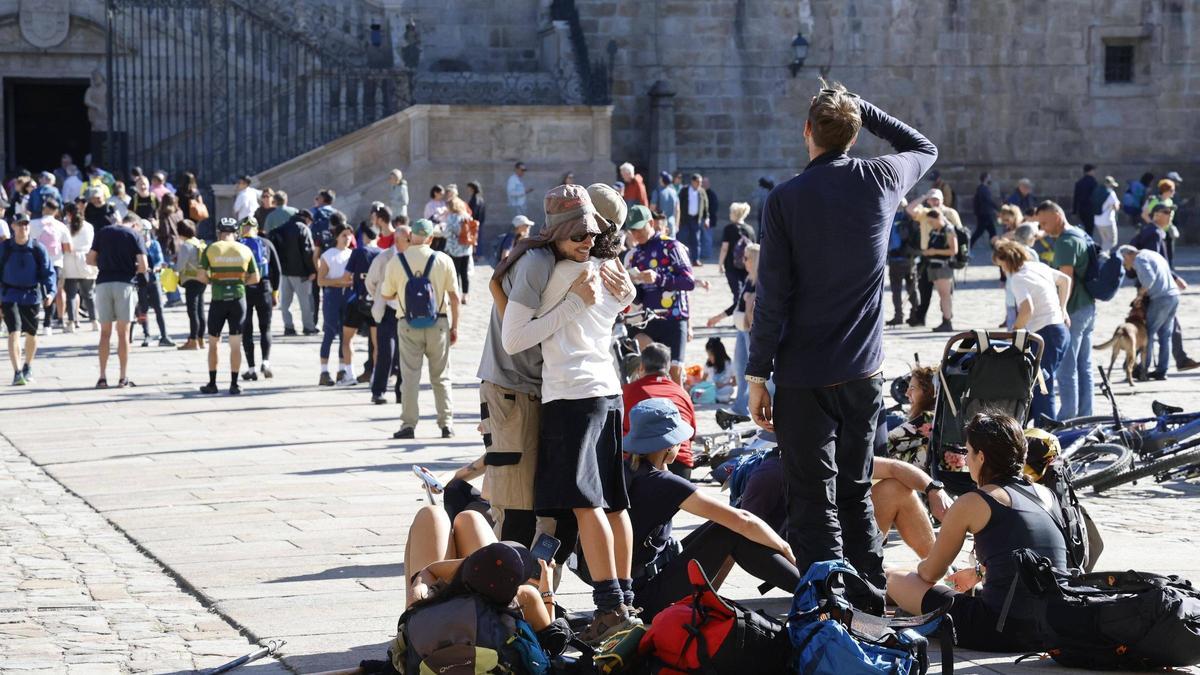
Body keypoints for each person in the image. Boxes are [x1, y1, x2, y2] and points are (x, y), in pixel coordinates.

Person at [747, 80, 937, 600]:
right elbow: (924, 147)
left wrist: (757, 375)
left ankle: (828, 603)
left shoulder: (785, 198)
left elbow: (773, 297)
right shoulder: (880, 178)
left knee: (812, 498)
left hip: (805, 373)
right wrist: (862, 106)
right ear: (853, 134)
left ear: (807, 131)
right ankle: (869, 594)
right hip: (862, 372)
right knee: (854, 490)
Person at [497, 184, 639, 643]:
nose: (582, 238)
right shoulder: (615, 270)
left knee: (586, 502)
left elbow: (515, 339)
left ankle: (610, 605)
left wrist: (573, 301)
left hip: (571, 394)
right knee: (615, 502)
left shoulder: (560, 274)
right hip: (608, 391)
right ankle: (628, 598)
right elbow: (622, 302)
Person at [887, 412, 1068, 652]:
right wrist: (979, 573)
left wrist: (914, 573)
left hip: (999, 630)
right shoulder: (1048, 495)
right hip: (1054, 626)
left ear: (981, 457)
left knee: (894, 578)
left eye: (967, 452)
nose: (966, 459)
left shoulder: (975, 501)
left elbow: (931, 573)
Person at [619, 398, 799, 621]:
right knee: (731, 529)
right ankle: (811, 589)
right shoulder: (664, 483)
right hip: (645, 600)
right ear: (668, 445)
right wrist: (783, 546)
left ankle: (807, 587)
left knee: (721, 524)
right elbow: (743, 520)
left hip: (628, 589)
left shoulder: (627, 470)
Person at [381, 218, 461, 439]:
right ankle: (446, 424)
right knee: (441, 376)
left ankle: (408, 425)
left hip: (407, 324)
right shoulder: (443, 259)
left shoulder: (397, 261)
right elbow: (455, 298)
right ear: (431, 238)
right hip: (439, 323)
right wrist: (455, 327)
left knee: (409, 376)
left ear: (410, 237)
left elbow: (386, 294)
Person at [994, 239, 1071, 419]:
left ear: (1007, 261)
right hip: (1059, 331)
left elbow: (1027, 309)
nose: (1002, 270)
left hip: (1045, 333)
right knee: (1037, 384)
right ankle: (1032, 429)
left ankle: (1046, 436)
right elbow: (1065, 280)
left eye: (1001, 266)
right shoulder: (1039, 267)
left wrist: (1015, 330)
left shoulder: (1018, 278)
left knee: (1042, 387)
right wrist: (1063, 308)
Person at [1036, 200, 1095, 419]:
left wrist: (1062, 310)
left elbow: (1065, 278)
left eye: (1045, 222)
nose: (1043, 228)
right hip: (1088, 306)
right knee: (1084, 366)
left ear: (1057, 217)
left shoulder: (1065, 242)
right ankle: (1086, 414)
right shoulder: (1079, 234)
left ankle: (1068, 418)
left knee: (1066, 369)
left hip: (1073, 309)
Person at [625, 205, 696, 385]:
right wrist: (628, 287)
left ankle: (681, 411)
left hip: (674, 318)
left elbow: (688, 281)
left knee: (675, 374)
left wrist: (658, 278)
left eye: (640, 228)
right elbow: (639, 297)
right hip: (650, 319)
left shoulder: (671, 245)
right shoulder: (635, 256)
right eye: (632, 230)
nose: (636, 233)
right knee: (649, 374)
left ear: (651, 223)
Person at [195, 218, 259, 394]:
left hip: (218, 298)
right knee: (235, 343)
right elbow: (255, 278)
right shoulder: (245, 249)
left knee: (214, 343)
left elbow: (200, 276)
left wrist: (214, 281)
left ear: (219, 232)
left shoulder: (211, 249)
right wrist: (239, 282)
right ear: (236, 233)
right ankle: (234, 384)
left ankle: (212, 383)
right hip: (238, 299)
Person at [88, 214, 148, 388]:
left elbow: (90, 259)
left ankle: (102, 377)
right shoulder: (134, 235)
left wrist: (106, 264)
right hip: (125, 284)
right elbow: (143, 265)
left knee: (104, 333)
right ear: (136, 224)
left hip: (103, 283)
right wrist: (131, 267)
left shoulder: (103, 232)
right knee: (123, 333)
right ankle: (123, 377)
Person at [622, 342, 696, 479]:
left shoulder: (627, 391)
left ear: (641, 367)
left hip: (642, 464)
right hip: (681, 464)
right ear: (667, 368)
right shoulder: (682, 393)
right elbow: (692, 434)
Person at [0, 215, 55, 385]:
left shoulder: (38, 248)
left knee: (31, 334)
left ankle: (28, 366)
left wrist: (51, 293)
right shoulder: (5, 248)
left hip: (32, 295)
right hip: (9, 294)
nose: (23, 227)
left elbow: (48, 272)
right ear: (13, 226)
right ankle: (17, 372)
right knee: (14, 331)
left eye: (25, 224)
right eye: (19, 224)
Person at [708, 243, 760, 418]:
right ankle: (741, 406)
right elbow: (736, 304)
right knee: (740, 367)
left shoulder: (761, 281)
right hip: (741, 328)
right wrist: (719, 316)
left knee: (753, 369)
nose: (742, 260)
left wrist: (750, 299)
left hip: (751, 330)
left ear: (754, 260)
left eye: (746, 257)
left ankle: (751, 405)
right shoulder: (749, 278)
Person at [1119, 245, 1184, 381]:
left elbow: (1149, 279)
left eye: (1124, 262)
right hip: (1174, 296)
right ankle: (1162, 371)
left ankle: (1143, 369)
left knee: (1147, 334)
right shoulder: (1152, 253)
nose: (1125, 266)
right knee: (1165, 335)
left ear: (1127, 255)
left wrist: (1140, 296)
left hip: (1161, 299)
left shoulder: (1139, 259)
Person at [367, 219, 410, 405]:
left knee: (405, 354)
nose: (411, 242)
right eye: (408, 239)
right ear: (398, 239)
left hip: (406, 312)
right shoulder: (384, 258)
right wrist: (379, 297)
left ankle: (401, 392)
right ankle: (378, 391)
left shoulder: (413, 257)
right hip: (387, 312)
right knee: (386, 352)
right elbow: (371, 282)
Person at [238, 217, 280, 381]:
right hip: (264, 287)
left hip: (244, 288)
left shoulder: (238, 244)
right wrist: (275, 292)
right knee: (265, 328)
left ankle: (251, 368)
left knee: (246, 329)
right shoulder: (266, 243)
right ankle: (266, 362)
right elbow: (276, 269)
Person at [339, 226, 380, 386]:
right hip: (376, 302)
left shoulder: (358, 252)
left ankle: (349, 374)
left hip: (357, 300)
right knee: (377, 343)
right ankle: (376, 375)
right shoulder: (383, 253)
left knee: (347, 339)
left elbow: (346, 276)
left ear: (363, 236)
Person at [317, 218, 354, 386]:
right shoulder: (328, 255)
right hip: (333, 296)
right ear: (337, 236)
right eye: (344, 235)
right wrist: (340, 281)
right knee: (330, 332)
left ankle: (342, 369)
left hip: (348, 296)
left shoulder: (353, 254)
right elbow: (321, 281)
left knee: (345, 334)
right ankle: (324, 371)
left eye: (349, 236)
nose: (347, 238)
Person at [270, 208, 318, 336]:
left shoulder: (282, 228)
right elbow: (308, 252)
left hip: (284, 272)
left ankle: (289, 327)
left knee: (285, 303)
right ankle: (308, 327)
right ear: (307, 219)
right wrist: (312, 270)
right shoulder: (303, 229)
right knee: (305, 302)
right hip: (301, 273)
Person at [30, 199, 72, 335]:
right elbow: (68, 248)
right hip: (55, 262)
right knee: (51, 292)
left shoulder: (33, 224)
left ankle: (31, 321)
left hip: (35, 262)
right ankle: (47, 324)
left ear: (43, 209)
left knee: (33, 290)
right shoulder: (61, 226)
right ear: (57, 211)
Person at [885, 366, 939, 469]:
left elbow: (887, 443)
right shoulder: (943, 417)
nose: (907, 393)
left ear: (929, 392)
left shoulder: (927, 420)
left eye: (912, 388)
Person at [919, 209, 958, 332]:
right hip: (934, 266)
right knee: (942, 295)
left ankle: (947, 321)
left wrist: (934, 252)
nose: (930, 224)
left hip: (944, 267)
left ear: (938, 218)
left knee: (945, 295)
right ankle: (945, 319)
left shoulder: (948, 230)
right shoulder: (935, 231)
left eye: (932, 221)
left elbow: (953, 250)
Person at [135, 220, 171, 347]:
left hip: (154, 279)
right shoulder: (136, 245)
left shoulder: (154, 244)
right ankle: (146, 334)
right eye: (142, 231)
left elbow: (159, 259)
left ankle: (164, 335)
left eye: (146, 231)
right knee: (143, 309)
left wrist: (156, 267)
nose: (145, 234)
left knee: (159, 308)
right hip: (141, 280)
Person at [174, 220, 208, 350]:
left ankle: (193, 340)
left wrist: (174, 271)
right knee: (200, 311)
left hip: (191, 280)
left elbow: (180, 265)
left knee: (192, 312)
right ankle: (201, 339)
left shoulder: (186, 246)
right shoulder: (200, 243)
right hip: (202, 279)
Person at [63, 210, 97, 333]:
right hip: (85, 260)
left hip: (70, 260)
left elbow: (65, 245)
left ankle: (71, 322)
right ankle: (94, 321)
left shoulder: (66, 227)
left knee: (71, 295)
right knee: (89, 294)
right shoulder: (89, 227)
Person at [886, 199, 919, 326]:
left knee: (896, 289)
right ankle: (915, 314)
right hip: (909, 259)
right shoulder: (911, 219)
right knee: (911, 288)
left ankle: (898, 315)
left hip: (896, 260)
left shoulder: (891, 219)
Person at [441, 192, 475, 305]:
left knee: (455, 273)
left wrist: (442, 229)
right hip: (466, 247)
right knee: (464, 273)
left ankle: (455, 296)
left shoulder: (451, 217)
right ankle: (465, 296)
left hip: (454, 249)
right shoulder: (466, 216)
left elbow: (447, 234)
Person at [717, 202, 754, 305]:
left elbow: (724, 248)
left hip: (731, 265)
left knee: (737, 293)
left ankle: (738, 315)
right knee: (746, 291)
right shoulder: (750, 229)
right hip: (747, 265)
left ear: (734, 214)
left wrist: (720, 264)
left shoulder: (728, 229)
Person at [676, 174, 709, 266]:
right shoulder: (684, 190)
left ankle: (695, 260)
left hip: (696, 219)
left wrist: (706, 218)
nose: (699, 184)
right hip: (685, 219)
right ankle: (681, 259)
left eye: (701, 182)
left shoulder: (702, 192)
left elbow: (706, 206)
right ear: (693, 182)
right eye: (698, 182)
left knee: (696, 241)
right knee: (682, 239)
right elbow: (678, 204)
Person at [971, 172, 1000, 249]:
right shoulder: (983, 189)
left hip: (985, 214)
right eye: (989, 177)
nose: (990, 179)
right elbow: (988, 201)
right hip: (984, 214)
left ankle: (995, 248)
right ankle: (968, 247)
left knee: (992, 232)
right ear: (986, 178)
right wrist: (997, 208)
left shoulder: (983, 188)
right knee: (979, 232)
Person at [1093, 175, 1121, 252]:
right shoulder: (1111, 193)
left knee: (1105, 241)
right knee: (1112, 242)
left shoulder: (1097, 191)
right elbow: (1116, 207)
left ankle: (1105, 259)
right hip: (1108, 221)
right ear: (1109, 184)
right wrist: (1118, 204)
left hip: (1097, 220)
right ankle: (1101, 255)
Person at [1072, 164, 1099, 236]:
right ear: (1090, 171)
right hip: (1090, 209)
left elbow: (1076, 198)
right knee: (1089, 229)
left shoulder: (1079, 183)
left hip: (1081, 209)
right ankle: (1088, 244)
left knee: (1085, 228)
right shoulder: (1093, 182)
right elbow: (1096, 197)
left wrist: (1074, 211)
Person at [650, 171, 679, 237]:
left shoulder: (657, 191)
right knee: (671, 244)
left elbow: (652, 208)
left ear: (662, 180)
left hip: (660, 224)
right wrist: (676, 224)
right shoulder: (674, 192)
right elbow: (677, 209)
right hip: (671, 223)